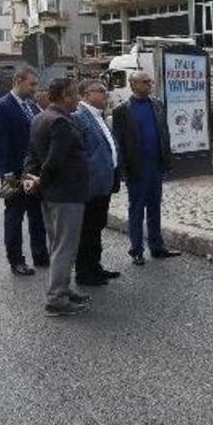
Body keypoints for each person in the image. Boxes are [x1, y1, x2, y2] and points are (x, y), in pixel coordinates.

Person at [22, 78, 91, 317]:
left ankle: (62, 288)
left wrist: (29, 177)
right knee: (65, 247)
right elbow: (55, 160)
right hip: (66, 193)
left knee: (57, 245)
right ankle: (56, 299)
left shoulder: (40, 118)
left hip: (52, 194)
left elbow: (31, 154)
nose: (78, 99)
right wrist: (39, 180)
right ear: (65, 97)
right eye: (75, 94)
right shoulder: (60, 122)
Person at [111, 71, 180, 266]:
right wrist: (123, 170)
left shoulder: (157, 105)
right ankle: (137, 249)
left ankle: (157, 247)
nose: (150, 84)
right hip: (137, 168)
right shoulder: (122, 110)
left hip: (156, 165)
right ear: (133, 85)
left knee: (155, 207)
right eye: (145, 82)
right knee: (136, 209)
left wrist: (167, 161)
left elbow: (164, 132)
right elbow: (118, 142)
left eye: (150, 81)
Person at [0, 68, 49, 276]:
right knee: (13, 216)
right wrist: (7, 175)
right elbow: (1, 144)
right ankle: (16, 260)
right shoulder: (1, 107)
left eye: (36, 84)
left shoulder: (31, 106)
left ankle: (40, 255)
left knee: (37, 214)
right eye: (32, 84)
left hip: (33, 172)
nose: (35, 89)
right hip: (11, 174)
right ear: (19, 81)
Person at [73, 80, 121, 286]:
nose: (105, 94)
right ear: (86, 94)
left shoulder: (99, 116)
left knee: (97, 227)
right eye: (100, 91)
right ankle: (84, 272)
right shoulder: (79, 117)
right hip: (90, 185)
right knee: (87, 229)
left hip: (104, 182)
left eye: (105, 91)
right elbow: (78, 153)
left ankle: (95, 266)